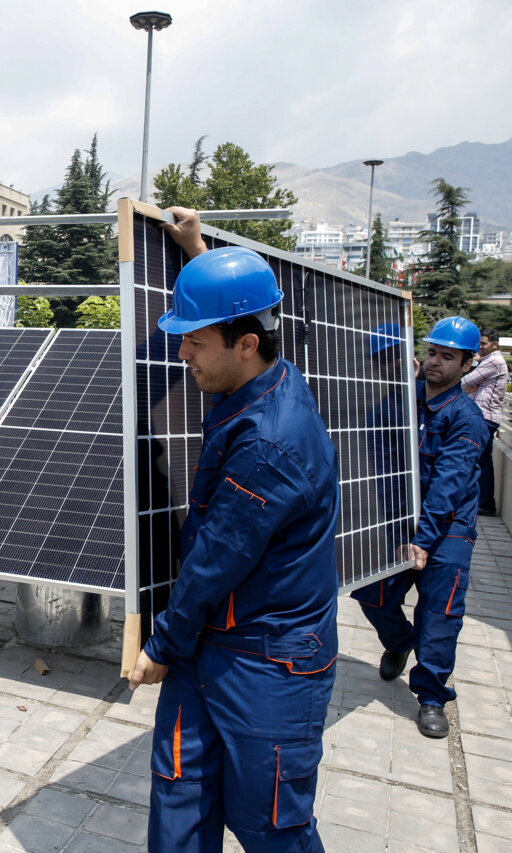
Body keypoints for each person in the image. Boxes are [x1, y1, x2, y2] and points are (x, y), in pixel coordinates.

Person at [129, 209, 340, 852]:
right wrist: (196, 252)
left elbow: (220, 556)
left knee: (270, 825)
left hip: (269, 662)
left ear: (246, 342)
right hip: (209, 639)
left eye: (195, 338)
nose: (181, 350)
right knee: (180, 803)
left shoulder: (272, 443)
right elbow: (251, 303)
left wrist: (161, 645)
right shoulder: (256, 374)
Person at [353, 316, 489, 738]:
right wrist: (391, 524)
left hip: (447, 530)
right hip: (401, 522)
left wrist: (422, 540)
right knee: (369, 592)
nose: (436, 362)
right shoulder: (397, 405)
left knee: (441, 612)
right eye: (432, 352)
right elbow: (378, 465)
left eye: (448, 357)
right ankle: (398, 642)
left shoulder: (466, 420)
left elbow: (449, 483)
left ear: (467, 364)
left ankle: (431, 696)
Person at [459, 328, 506, 516]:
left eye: (484, 343)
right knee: (481, 461)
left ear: (494, 344)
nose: (480, 347)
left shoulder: (494, 361)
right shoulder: (488, 361)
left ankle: (482, 503)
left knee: (473, 460)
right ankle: (484, 503)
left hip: (485, 417)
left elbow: (465, 381)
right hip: (484, 417)